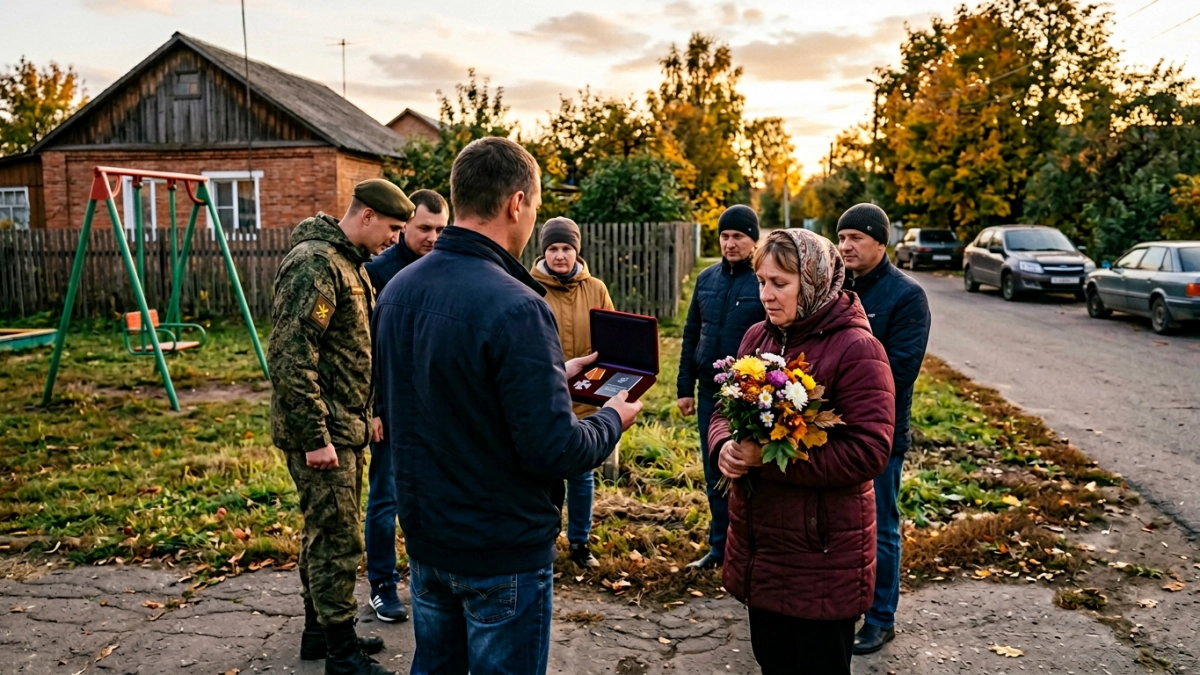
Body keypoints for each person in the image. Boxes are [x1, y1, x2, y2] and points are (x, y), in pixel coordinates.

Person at [373, 137, 642, 674]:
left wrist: (548, 377)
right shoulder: (518, 305)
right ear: (516, 204)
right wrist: (615, 416)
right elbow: (556, 450)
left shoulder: (398, 288)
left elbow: (442, 395)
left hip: (427, 537)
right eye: (535, 208)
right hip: (500, 550)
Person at [710, 228, 895, 674]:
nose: (766, 296)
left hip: (821, 556)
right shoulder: (759, 337)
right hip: (763, 548)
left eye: (780, 283)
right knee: (772, 661)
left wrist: (771, 461)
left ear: (811, 281)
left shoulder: (857, 349)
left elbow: (869, 451)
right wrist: (725, 447)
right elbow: (724, 408)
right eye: (762, 282)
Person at [267, 179, 414, 675]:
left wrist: (368, 410)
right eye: (394, 227)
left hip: (345, 427)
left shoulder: (348, 263)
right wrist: (316, 438)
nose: (396, 238)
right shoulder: (316, 264)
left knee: (324, 532)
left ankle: (322, 632)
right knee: (337, 539)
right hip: (322, 434)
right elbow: (292, 356)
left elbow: (351, 349)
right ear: (368, 215)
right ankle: (341, 656)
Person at [835, 204, 931, 655]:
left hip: (880, 435)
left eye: (855, 237)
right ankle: (840, 607)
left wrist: (833, 387)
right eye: (841, 237)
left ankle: (880, 618)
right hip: (830, 432)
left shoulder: (905, 296)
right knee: (840, 527)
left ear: (880, 242)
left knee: (880, 528)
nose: (846, 246)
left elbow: (901, 369)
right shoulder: (835, 290)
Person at [361, 189, 449, 623]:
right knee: (385, 497)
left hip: (437, 406)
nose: (433, 237)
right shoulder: (377, 273)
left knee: (436, 494)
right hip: (392, 407)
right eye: (424, 228)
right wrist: (374, 406)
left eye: (440, 229)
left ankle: (429, 577)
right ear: (404, 227)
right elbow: (365, 349)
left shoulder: (448, 268)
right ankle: (381, 584)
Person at [676, 205, 765, 569]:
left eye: (738, 237)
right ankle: (719, 548)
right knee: (714, 469)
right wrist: (684, 386)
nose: (730, 244)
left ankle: (749, 549)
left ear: (753, 241)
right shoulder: (706, 278)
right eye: (725, 236)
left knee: (747, 472)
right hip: (708, 392)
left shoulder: (761, 281)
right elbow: (691, 333)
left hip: (747, 396)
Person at [529, 217, 615, 570]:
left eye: (566, 248)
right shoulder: (528, 285)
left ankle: (580, 543)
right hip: (543, 398)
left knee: (582, 474)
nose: (560, 256)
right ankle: (543, 540)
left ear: (577, 250)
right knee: (544, 475)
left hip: (586, 397)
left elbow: (609, 340)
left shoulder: (595, 288)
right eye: (553, 248)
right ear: (543, 251)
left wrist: (602, 384)